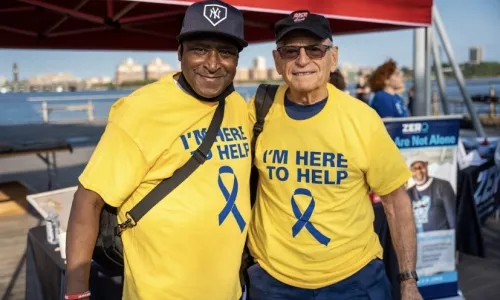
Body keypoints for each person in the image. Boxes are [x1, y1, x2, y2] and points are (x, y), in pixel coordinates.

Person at [65, 1, 251, 300]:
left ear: (237, 60)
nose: (213, 63)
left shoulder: (237, 105)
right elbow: (88, 200)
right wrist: (76, 292)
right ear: (180, 53)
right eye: (200, 49)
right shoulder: (140, 111)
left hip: (232, 291)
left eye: (226, 52)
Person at [246, 10, 423, 300]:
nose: (303, 60)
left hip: (353, 281)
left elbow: (396, 202)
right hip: (273, 281)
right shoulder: (259, 110)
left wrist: (408, 282)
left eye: (315, 49)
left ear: (333, 57)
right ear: (278, 62)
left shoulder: (362, 119)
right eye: (291, 51)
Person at [407, 158, 456, 233]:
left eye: (421, 166)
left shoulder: (443, 186)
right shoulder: (408, 193)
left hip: (442, 240)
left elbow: (453, 218)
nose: (418, 171)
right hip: (419, 242)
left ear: (426, 166)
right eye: (414, 168)